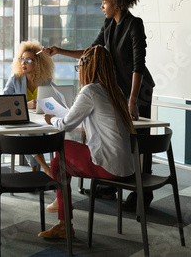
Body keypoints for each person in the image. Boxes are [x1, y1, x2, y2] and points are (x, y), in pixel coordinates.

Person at [42, 0, 155, 209]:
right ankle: (111, 182)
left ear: (119, 2)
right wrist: (58, 51)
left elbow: (138, 65)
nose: (102, 6)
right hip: (118, 90)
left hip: (137, 89)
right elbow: (92, 52)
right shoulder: (109, 25)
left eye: (105, 2)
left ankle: (142, 192)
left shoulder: (135, 24)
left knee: (138, 139)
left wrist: (133, 100)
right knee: (116, 132)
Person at [38, 45, 136, 238]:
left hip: (108, 168)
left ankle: (63, 218)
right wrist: (64, 116)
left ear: (87, 67)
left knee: (59, 152)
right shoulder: (114, 90)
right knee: (61, 163)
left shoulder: (90, 90)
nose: (79, 71)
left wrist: (51, 119)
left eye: (79, 67)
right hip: (127, 168)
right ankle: (63, 212)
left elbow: (65, 124)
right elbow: (77, 115)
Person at [3, 40, 54, 176]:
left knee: (36, 132)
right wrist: (25, 105)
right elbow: (3, 101)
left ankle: (36, 171)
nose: (23, 63)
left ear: (38, 62)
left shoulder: (46, 80)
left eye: (28, 60)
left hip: (40, 121)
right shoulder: (15, 78)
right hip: (20, 123)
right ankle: (46, 168)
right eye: (22, 59)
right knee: (29, 132)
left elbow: (57, 99)